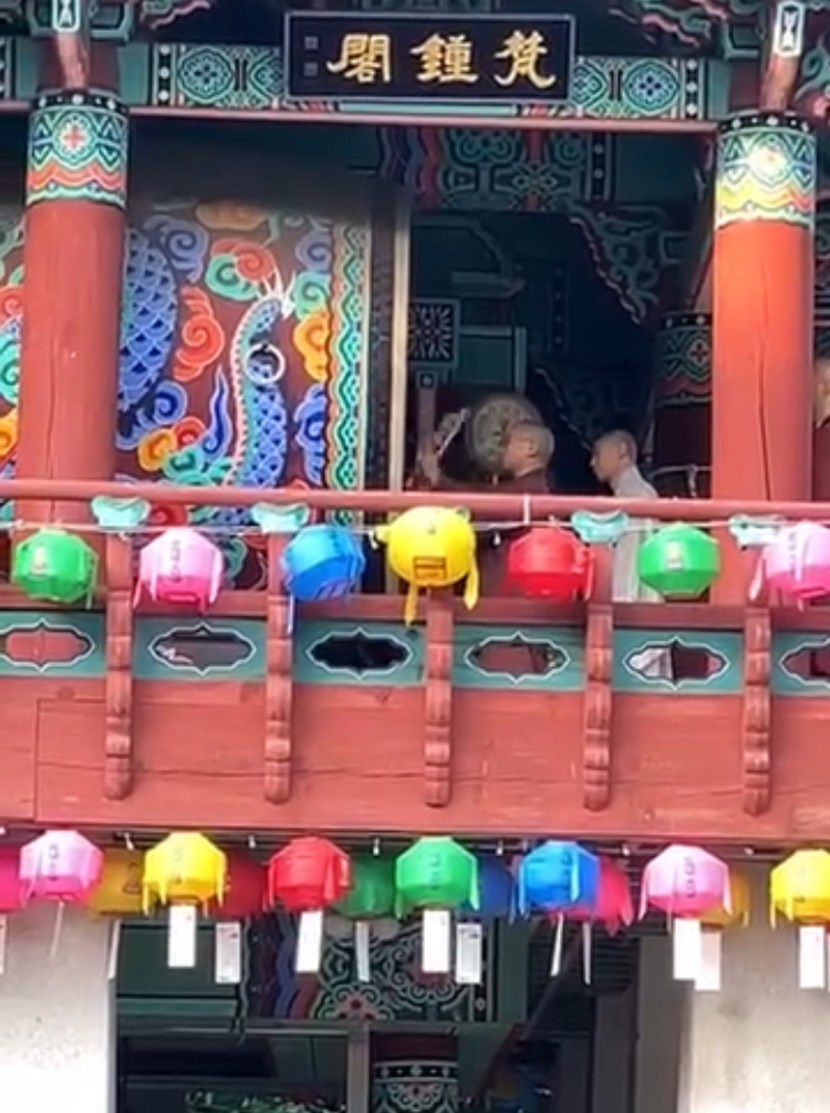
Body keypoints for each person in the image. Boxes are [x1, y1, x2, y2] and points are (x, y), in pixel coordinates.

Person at [417, 419, 554, 595]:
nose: (501, 450)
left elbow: (484, 504)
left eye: (507, 442)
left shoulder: (532, 490)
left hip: (511, 593)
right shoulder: (522, 487)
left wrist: (440, 482)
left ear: (531, 448)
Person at [591, 429, 671, 680]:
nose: (592, 462)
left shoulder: (637, 496)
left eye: (597, 454)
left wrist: (619, 606)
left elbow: (629, 564)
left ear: (622, 451)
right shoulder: (630, 494)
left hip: (633, 605)